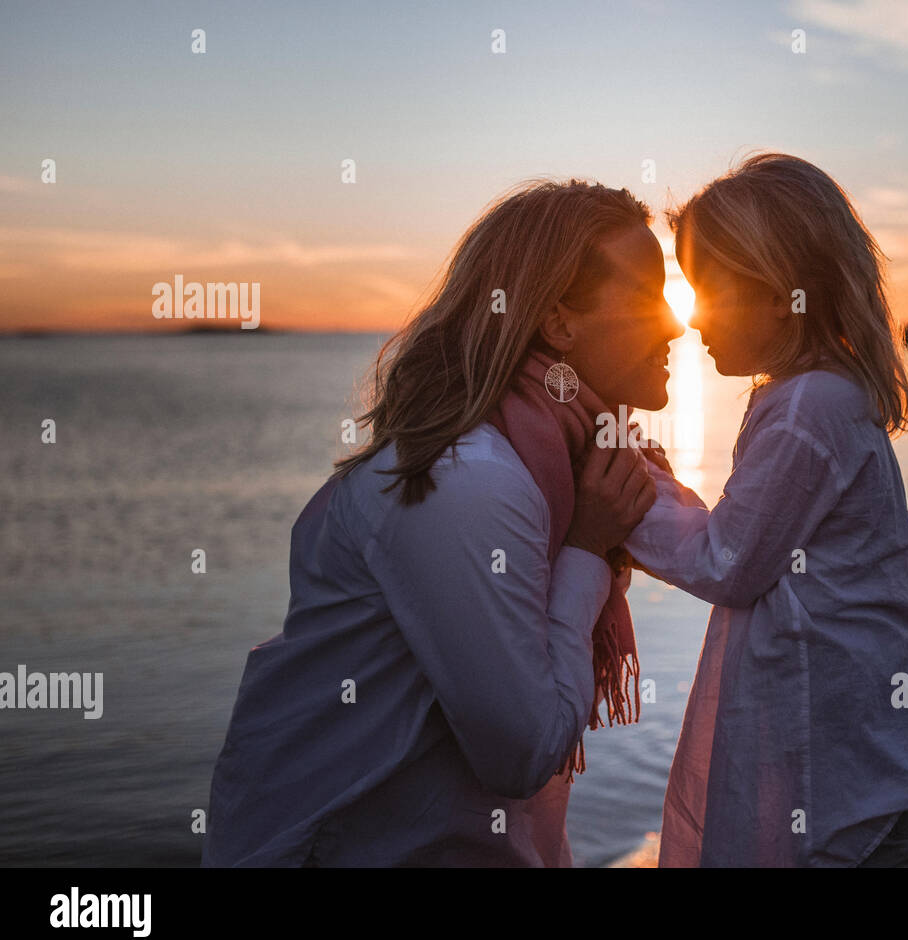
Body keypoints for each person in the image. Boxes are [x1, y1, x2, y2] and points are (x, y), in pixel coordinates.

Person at [201, 178, 681, 866]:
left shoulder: (572, 457)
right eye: (645, 297)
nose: (676, 323)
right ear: (557, 321)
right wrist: (586, 549)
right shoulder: (471, 480)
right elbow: (523, 751)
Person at [623, 153, 908, 867]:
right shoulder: (815, 398)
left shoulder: (809, 408)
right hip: (851, 753)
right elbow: (749, 540)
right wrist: (664, 491)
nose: (692, 319)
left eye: (712, 291)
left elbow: (727, 561)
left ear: (785, 291)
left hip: (838, 768)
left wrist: (624, 501)